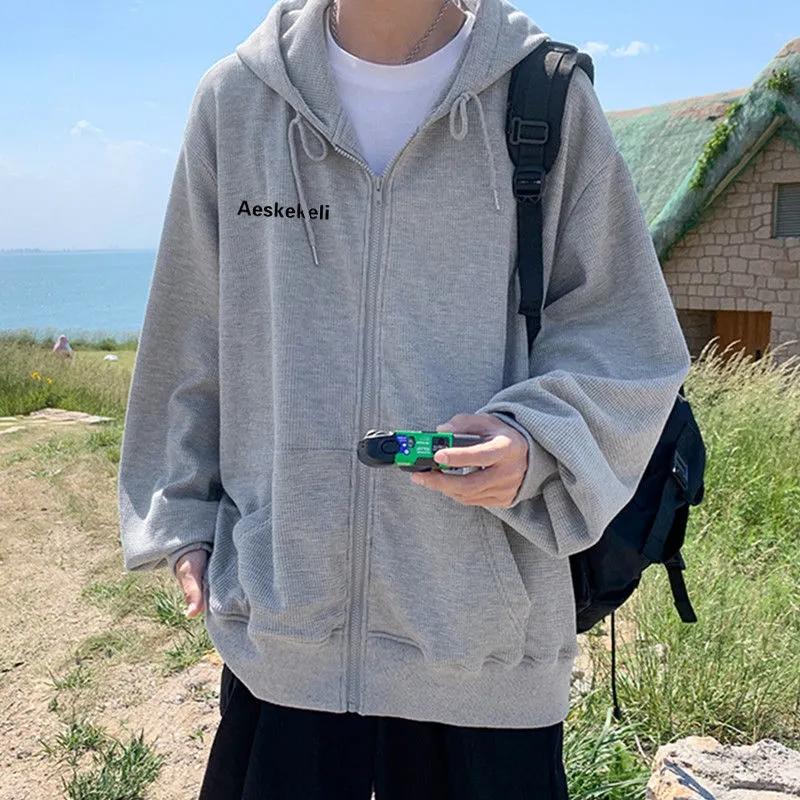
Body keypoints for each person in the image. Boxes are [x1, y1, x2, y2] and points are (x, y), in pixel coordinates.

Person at [116, 0, 692, 796]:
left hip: (484, 657)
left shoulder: (547, 97)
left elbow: (628, 335)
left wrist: (537, 442)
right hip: (285, 642)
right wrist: (181, 517)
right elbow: (190, 330)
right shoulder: (237, 101)